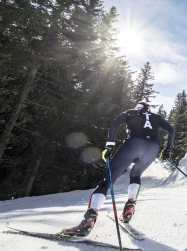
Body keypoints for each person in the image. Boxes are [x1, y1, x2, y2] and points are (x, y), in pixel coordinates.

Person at [62, 101, 175, 237]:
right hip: (152, 148)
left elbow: (115, 123)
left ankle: (88, 221)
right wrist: (168, 149)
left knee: (106, 182)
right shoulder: (156, 117)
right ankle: (130, 206)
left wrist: (109, 145)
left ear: (137, 107)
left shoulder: (131, 112)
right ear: (148, 108)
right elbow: (171, 130)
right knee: (136, 175)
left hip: (134, 143)